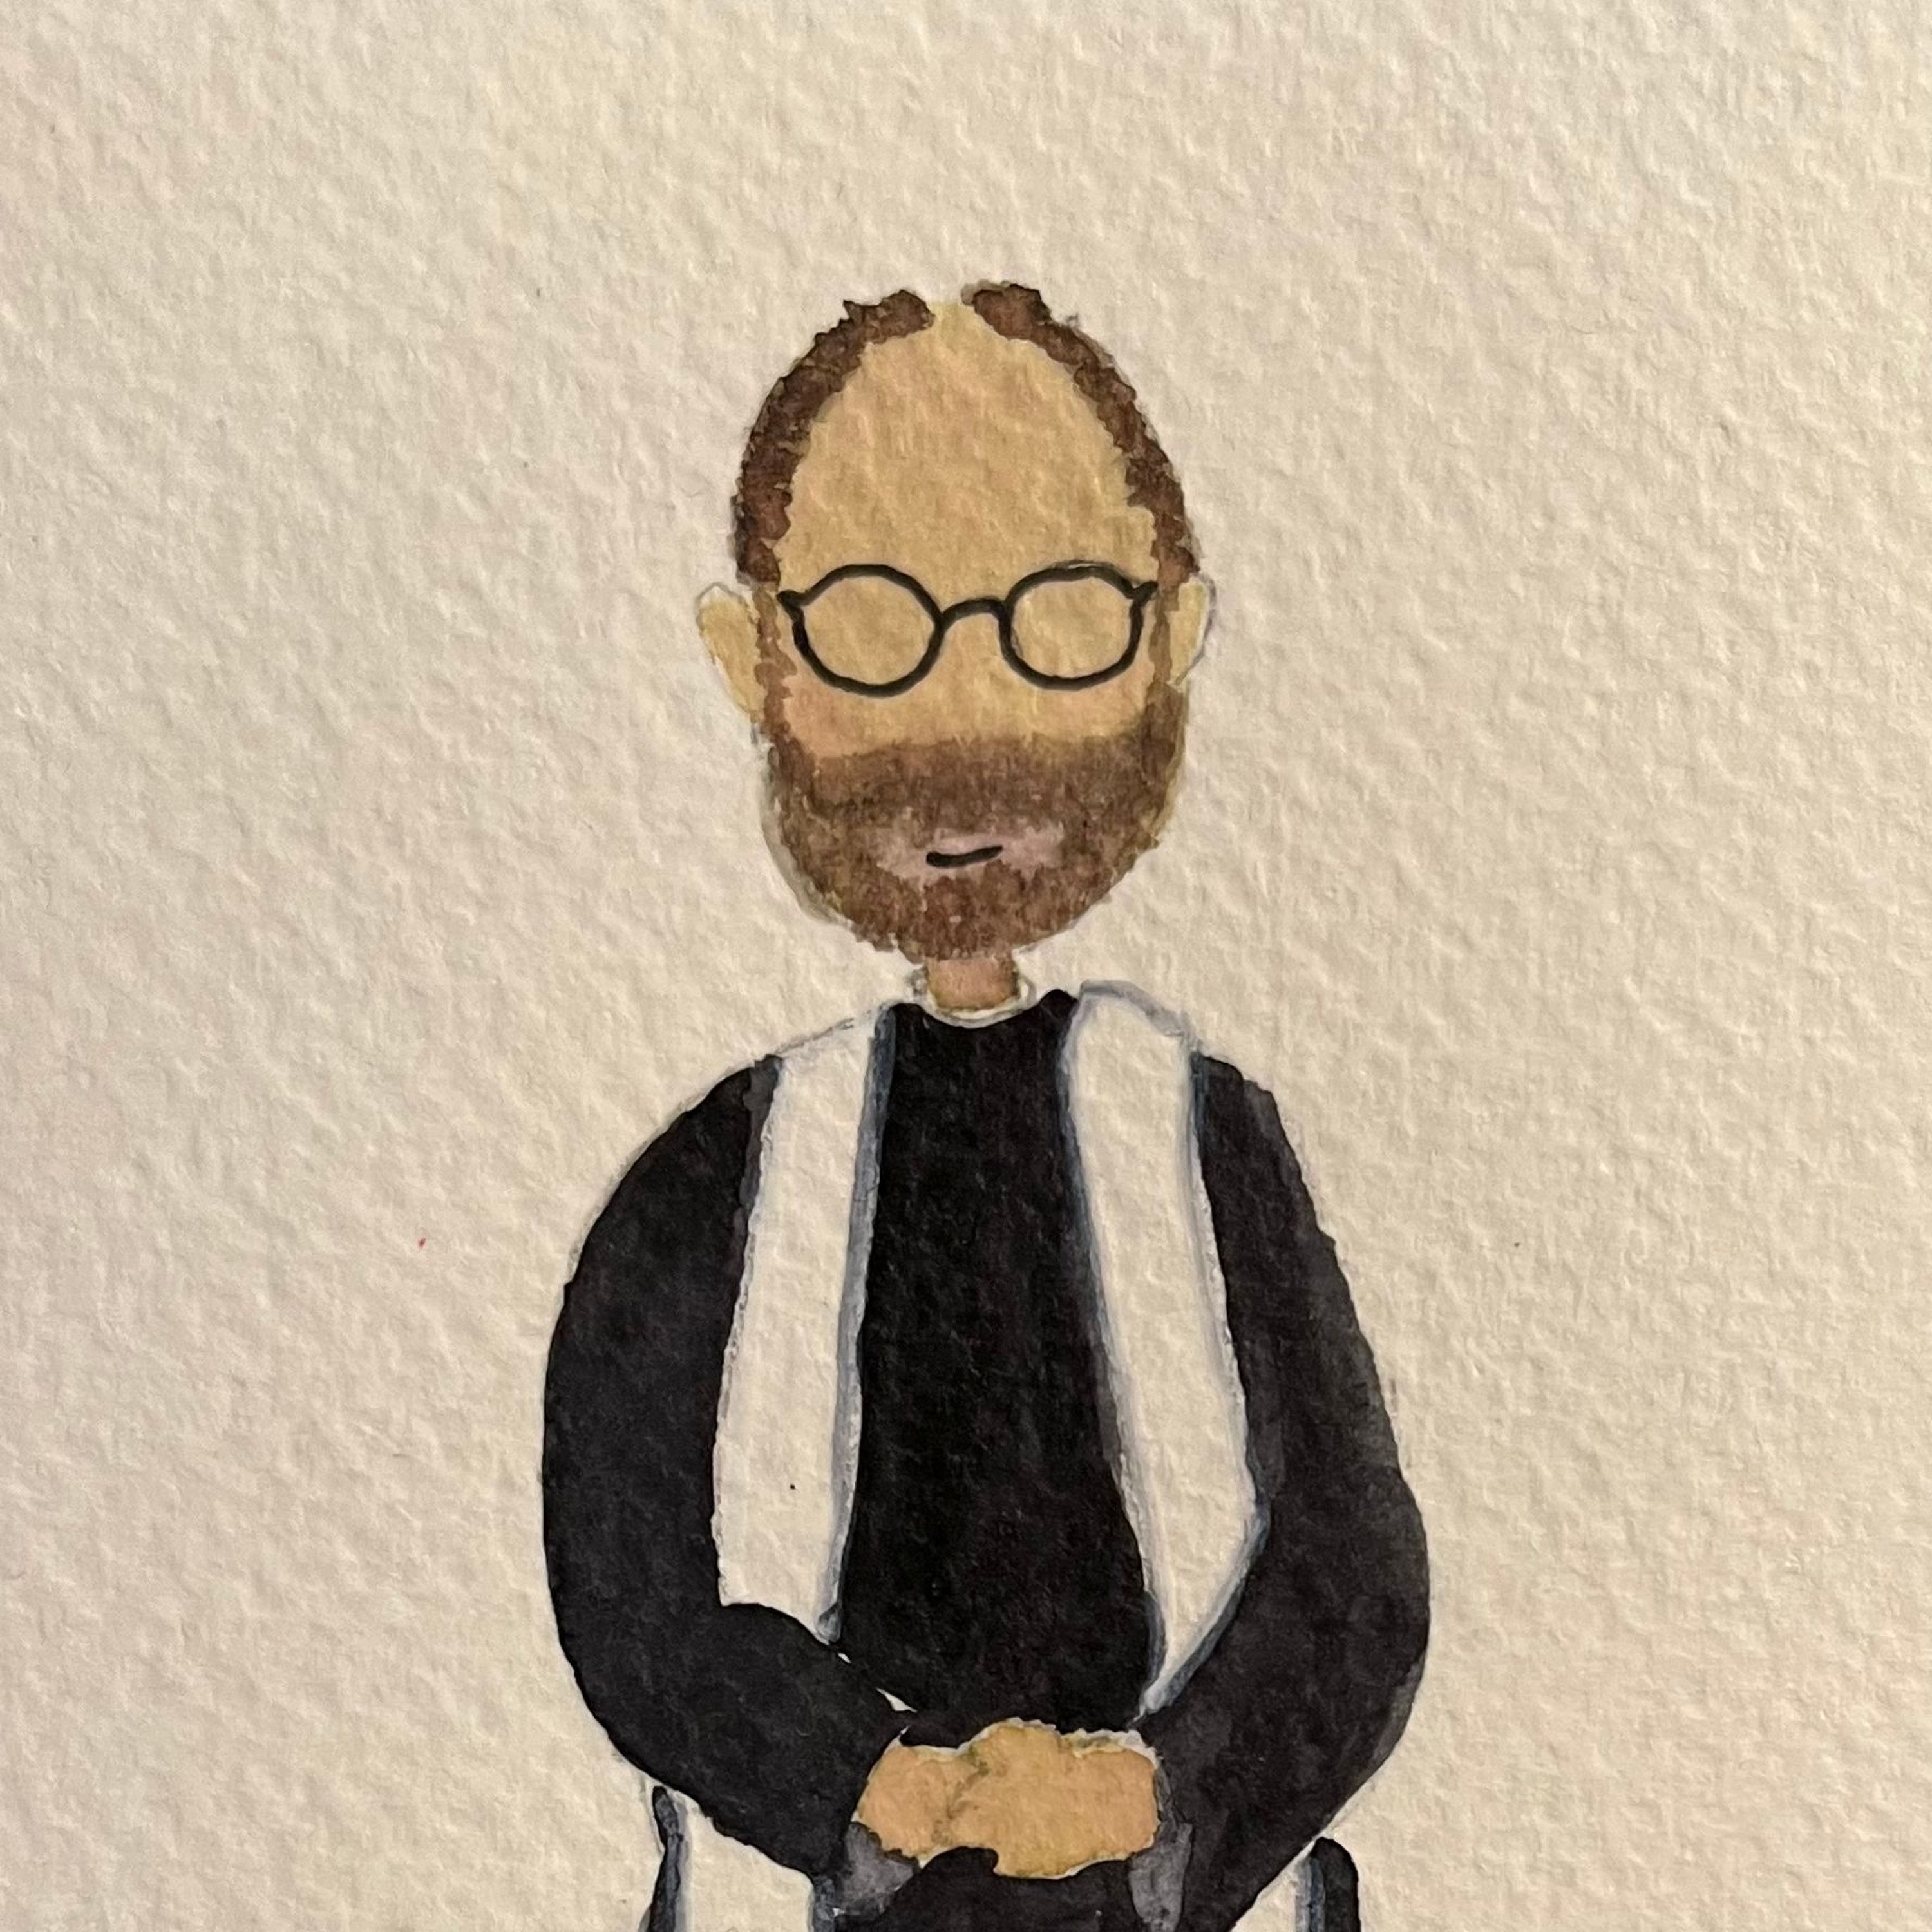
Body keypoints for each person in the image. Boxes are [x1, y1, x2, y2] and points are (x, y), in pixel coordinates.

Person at [542, 285, 1429, 1932]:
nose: (966, 713)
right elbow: (628, 1590)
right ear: (753, 659)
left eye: (1059, 618)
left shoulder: (1203, 1136)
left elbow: (1355, 1584)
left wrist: (1154, 1790)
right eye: (873, 624)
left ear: (1169, 634)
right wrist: (855, 1775)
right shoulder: (720, 1171)